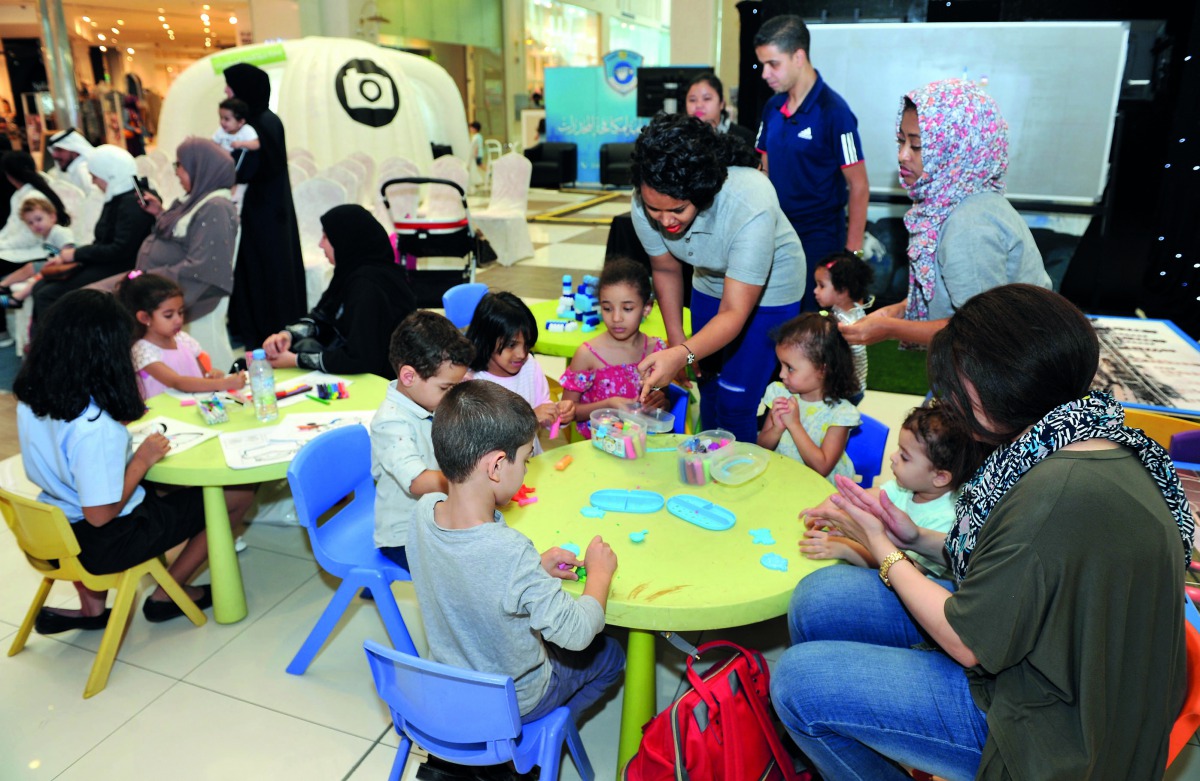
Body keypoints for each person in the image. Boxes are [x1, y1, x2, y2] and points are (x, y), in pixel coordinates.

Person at [771, 284, 1191, 780]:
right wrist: (913, 539)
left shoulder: (1052, 494)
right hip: (1049, 663)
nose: (947, 400)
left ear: (999, 386)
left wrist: (883, 547)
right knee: (821, 597)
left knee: (798, 683)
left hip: (1049, 731)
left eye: (956, 385)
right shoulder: (1083, 438)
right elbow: (1023, 570)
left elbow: (968, 642)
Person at [14, 289, 254, 630]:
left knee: (167, 492)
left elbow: (66, 459)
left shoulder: (32, 395)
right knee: (238, 494)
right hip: (102, 541)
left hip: (52, 526)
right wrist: (142, 459)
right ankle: (167, 595)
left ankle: (91, 610)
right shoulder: (95, 428)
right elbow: (99, 515)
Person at [409, 380, 624, 723]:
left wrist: (534, 569)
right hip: (514, 700)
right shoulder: (511, 551)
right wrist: (599, 574)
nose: (526, 471)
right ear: (495, 467)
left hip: (452, 683)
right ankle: (544, 738)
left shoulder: (423, 511)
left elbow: (468, 572)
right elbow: (578, 633)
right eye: (525, 460)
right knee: (611, 655)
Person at [631, 112, 803, 444]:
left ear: (702, 191)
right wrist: (677, 340)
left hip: (771, 290)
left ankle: (736, 486)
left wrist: (682, 353)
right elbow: (666, 269)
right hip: (709, 280)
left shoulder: (749, 200)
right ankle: (705, 472)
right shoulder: (645, 201)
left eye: (678, 210)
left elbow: (734, 313)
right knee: (707, 385)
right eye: (655, 210)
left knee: (737, 398)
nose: (665, 221)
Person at [840, 79, 1051, 348]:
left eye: (916, 145)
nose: (903, 155)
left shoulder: (969, 224)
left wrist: (890, 328)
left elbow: (979, 331)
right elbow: (954, 296)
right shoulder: (952, 203)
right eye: (901, 141)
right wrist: (901, 310)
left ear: (958, 147)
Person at [754, 14, 869, 312]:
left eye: (773, 64)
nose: (765, 74)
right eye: (762, 64)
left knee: (810, 329)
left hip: (818, 238)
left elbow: (858, 185)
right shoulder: (772, 106)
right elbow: (763, 169)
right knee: (773, 319)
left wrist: (851, 255)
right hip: (776, 230)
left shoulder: (835, 111)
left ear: (798, 57)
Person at [799, 405, 980, 578]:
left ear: (940, 477)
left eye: (904, 456)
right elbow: (865, 497)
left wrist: (848, 549)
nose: (893, 457)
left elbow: (908, 570)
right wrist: (831, 505)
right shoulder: (909, 486)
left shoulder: (947, 520)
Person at [261, 204, 416, 378]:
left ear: (345, 240)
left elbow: (360, 359)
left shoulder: (368, 286)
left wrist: (296, 360)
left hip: (380, 381)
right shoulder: (351, 273)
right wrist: (288, 335)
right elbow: (324, 320)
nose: (320, 244)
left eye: (326, 237)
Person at [371, 310, 474, 564]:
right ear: (409, 377)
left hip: (437, 515)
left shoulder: (428, 399)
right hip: (403, 537)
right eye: (446, 387)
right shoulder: (390, 422)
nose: (453, 394)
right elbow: (417, 481)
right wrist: (470, 480)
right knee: (473, 568)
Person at [223, 62, 306, 348]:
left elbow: (251, 169)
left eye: (230, 87)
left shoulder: (258, 125)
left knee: (264, 274)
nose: (225, 91)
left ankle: (265, 336)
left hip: (263, 213)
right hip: (269, 209)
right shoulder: (266, 120)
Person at [32, 145, 154, 327]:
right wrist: (72, 257)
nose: (93, 182)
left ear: (110, 174)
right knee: (40, 287)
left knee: (47, 294)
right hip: (108, 261)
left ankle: (58, 349)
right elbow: (104, 242)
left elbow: (120, 250)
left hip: (123, 266)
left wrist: (75, 255)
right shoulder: (120, 194)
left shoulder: (133, 202)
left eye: (95, 176)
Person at [123, 137, 238, 322]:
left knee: (100, 309)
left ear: (200, 169)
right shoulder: (196, 199)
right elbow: (184, 234)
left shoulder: (216, 207)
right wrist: (160, 213)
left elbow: (201, 269)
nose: (176, 172)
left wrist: (144, 279)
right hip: (157, 282)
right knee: (90, 298)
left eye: (181, 165)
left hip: (178, 292)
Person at [560, 257, 668, 438]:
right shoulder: (587, 354)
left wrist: (661, 400)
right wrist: (609, 405)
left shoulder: (657, 350)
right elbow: (567, 413)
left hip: (645, 446)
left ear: (646, 308)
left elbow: (662, 398)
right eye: (608, 308)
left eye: (627, 308)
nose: (616, 318)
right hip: (598, 449)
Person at [466, 291, 575, 453]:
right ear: (486, 339)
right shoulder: (471, 382)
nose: (521, 354)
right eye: (511, 345)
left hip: (531, 461)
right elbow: (482, 439)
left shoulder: (529, 366)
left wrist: (558, 414)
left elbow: (542, 409)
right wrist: (529, 419)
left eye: (527, 345)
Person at [757, 312, 860, 482]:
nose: (781, 374)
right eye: (780, 365)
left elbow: (822, 467)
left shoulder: (841, 414)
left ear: (822, 369)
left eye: (790, 368)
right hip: (782, 479)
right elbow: (762, 447)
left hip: (820, 491)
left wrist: (794, 424)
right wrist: (776, 428)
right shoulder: (779, 393)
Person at [117, 271, 246, 400]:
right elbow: (177, 382)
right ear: (144, 317)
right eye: (168, 315)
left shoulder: (182, 339)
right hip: (165, 414)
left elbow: (201, 375)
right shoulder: (142, 351)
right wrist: (222, 384)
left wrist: (211, 375)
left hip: (194, 404)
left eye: (181, 312)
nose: (178, 320)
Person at [812, 250, 874, 404]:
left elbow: (853, 352)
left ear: (842, 291)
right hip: (849, 388)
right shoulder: (851, 309)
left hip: (846, 391)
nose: (815, 291)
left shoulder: (846, 324)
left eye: (821, 286)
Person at [0, 197, 75, 310]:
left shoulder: (60, 232)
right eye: (30, 223)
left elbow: (69, 252)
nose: (35, 225)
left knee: (38, 274)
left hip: (69, 265)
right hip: (56, 264)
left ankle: (17, 298)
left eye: (39, 219)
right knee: (31, 267)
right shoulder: (46, 235)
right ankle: (3, 286)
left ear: (52, 217)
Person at [685, 72, 757, 150]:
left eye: (707, 98)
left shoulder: (744, 139)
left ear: (722, 103)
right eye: (692, 100)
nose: (698, 105)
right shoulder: (680, 138)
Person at [212, 98, 259, 208]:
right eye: (221, 118)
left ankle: (234, 197)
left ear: (241, 122)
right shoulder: (221, 131)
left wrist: (241, 144)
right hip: (223, 165)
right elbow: (213, 143)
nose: (222, 122)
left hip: (239, 169)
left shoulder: (247, 131)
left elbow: (256, 144)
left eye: (226, 119)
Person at [45, 127, 95, 193]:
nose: (54, 155)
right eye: (54, 150)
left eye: (60, 150)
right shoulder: (63, 170)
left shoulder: (84, 170)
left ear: (75, 150)